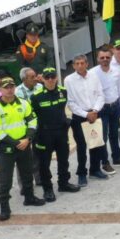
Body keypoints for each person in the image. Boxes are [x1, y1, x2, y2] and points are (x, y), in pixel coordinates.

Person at [0, 77, 45, 221]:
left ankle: (29, 197)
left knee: (27, 173)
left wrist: (27, 139)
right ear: (0, 90)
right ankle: (4, 207)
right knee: (5, 180)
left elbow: (32, 121)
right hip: (6, 149)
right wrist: (17, 143)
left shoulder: (23, 103)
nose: (9, 89)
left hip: (24, 144)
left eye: (12, 86)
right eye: (6, 87)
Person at [30, 67, 80, 201]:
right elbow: (31, 117)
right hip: (44, 134)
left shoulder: (63, 92)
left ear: (57, 78)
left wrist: (67, 121)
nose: (50, 80)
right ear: (43, 79)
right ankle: (48, 189)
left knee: (63, 160)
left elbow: (66, 108)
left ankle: (64, 183)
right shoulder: (36, 96)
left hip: (61, 132)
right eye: (47, 77)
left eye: (53, 77)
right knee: (44, 164)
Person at [65, 55, 108, 186]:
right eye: (77, 63)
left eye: (82, 63)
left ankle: (95, 169)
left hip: (95, 113)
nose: (79, 66)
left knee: (96, 142)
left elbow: (101, 95)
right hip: (79, 116)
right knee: (82, 146)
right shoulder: (69, 80)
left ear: (87, 64)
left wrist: (94, 111)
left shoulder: (94, 76)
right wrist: (85, 114)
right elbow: (70, 102)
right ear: (73, 66)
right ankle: (81, 173)